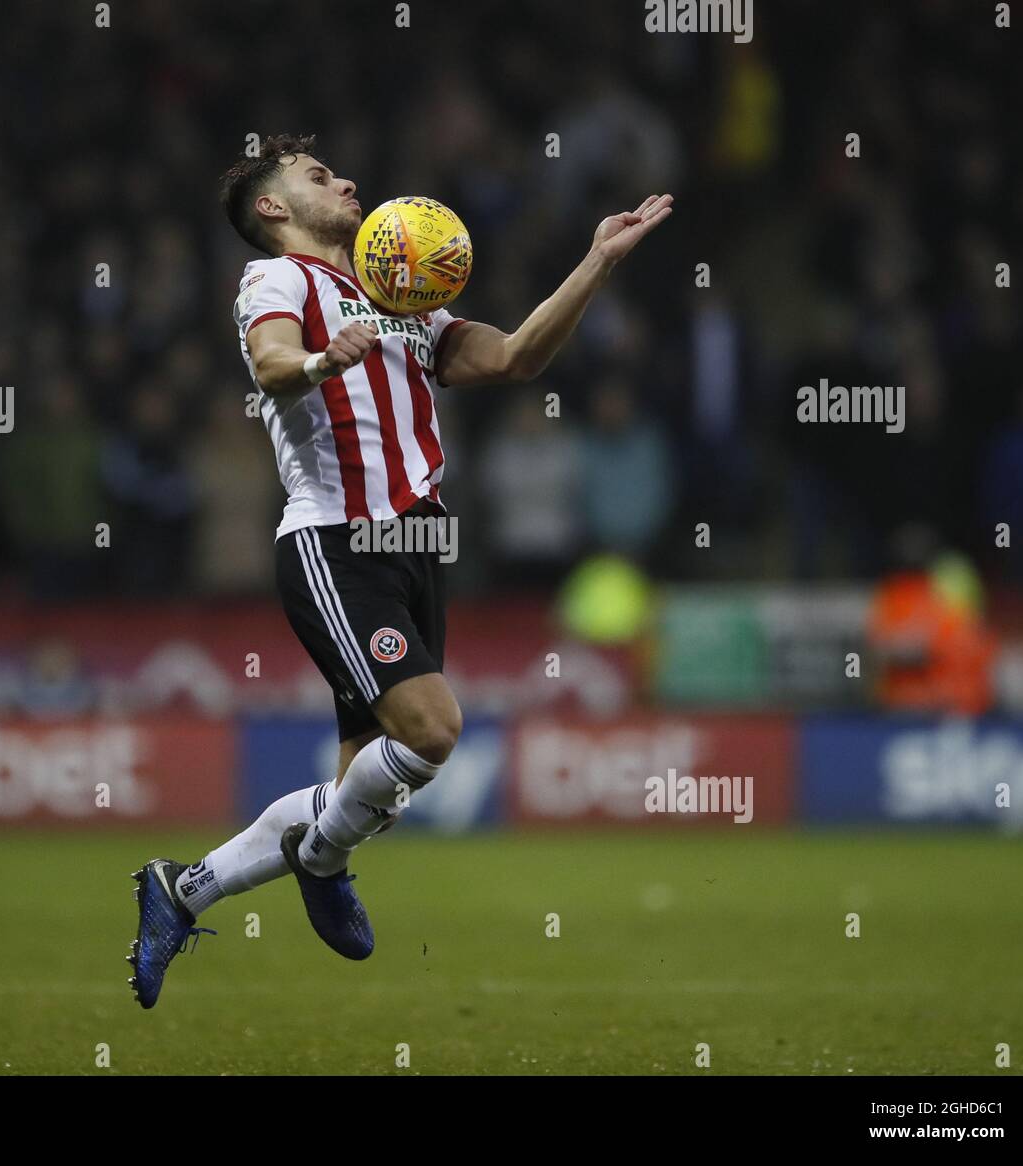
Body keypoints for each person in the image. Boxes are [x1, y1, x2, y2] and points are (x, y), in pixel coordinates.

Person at [127, 132, 673, 1008]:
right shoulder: (280, 280)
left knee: (364, 787)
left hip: (416, 547)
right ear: (272, 208)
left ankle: (181, 891)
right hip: (337, 541)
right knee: (431, 731)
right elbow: (271, 364)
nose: (344, 178)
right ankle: (321, 859)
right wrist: (317, 361)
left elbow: (516, 355)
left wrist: (597, 261)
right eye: (314, 175)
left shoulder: (401, 295)